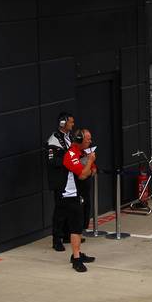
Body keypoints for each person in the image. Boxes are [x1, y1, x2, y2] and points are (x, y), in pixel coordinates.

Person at [59, 129, 97, 272]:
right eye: (88, 139)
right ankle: (76, 259)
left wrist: (89, 166)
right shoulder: (71, 155)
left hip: (82, 194)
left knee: (81, 225)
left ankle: (78, 253)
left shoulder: (84, 153)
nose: (90, 142)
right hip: (72, 195)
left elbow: (92, 171)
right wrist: (90, 161)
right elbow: (82, 175)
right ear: (80, 140)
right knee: (75, 228)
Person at [46, 112, 75, 251]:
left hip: (70, 179)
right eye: (70, 122)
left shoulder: (69, 137)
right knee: (60, 210)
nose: (73, 125)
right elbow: (52, 161)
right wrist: (68, 160)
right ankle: (57, 239)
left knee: (70, 208)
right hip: (60, 180)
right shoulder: (53, 140)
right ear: (63, 123)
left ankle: (68, 235)